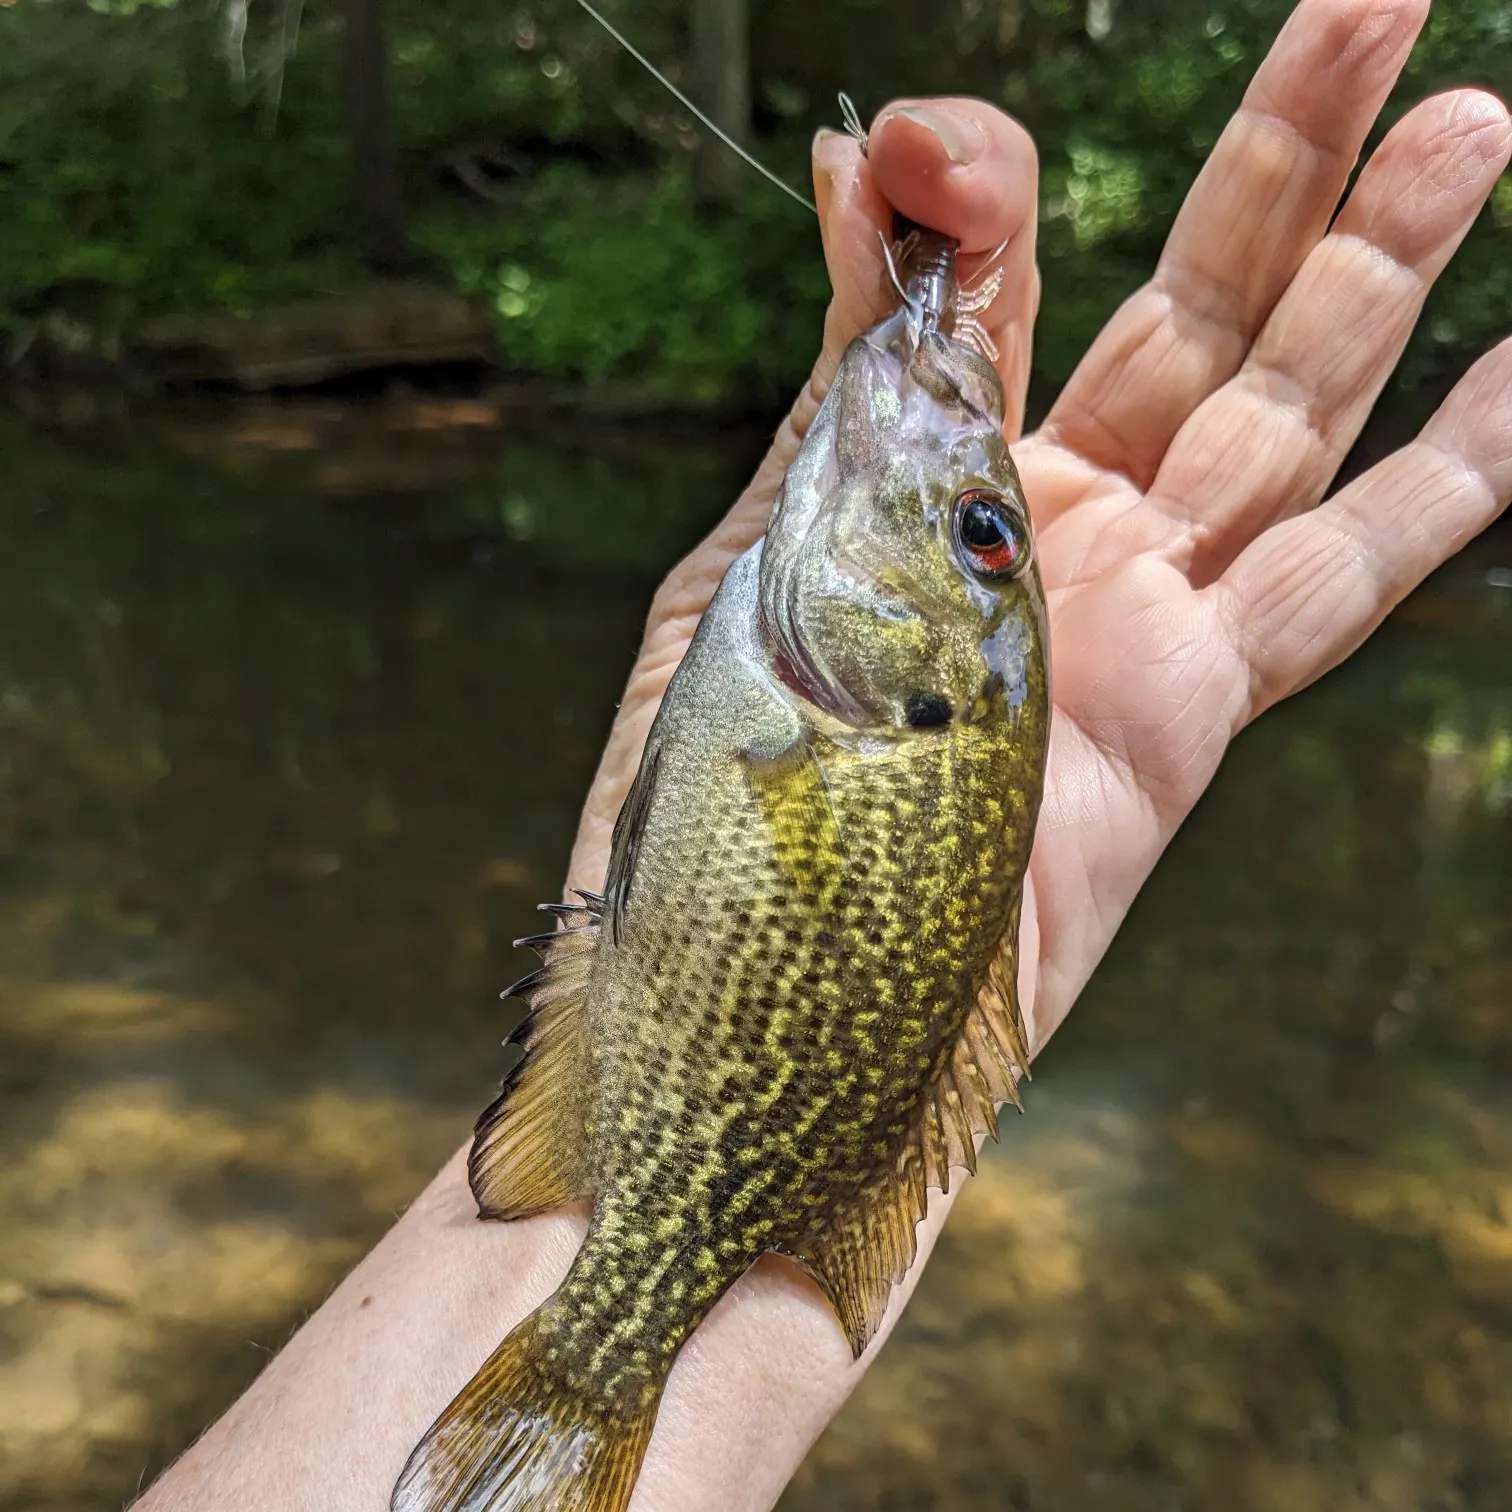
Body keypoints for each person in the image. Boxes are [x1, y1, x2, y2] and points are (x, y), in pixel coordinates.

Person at [137, 0, 1511, 1507]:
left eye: (979, 535)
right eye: (995, 536)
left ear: (929, 687)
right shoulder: (827, 650)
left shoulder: (857, 684)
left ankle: (600, 1367)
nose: (972, 511)